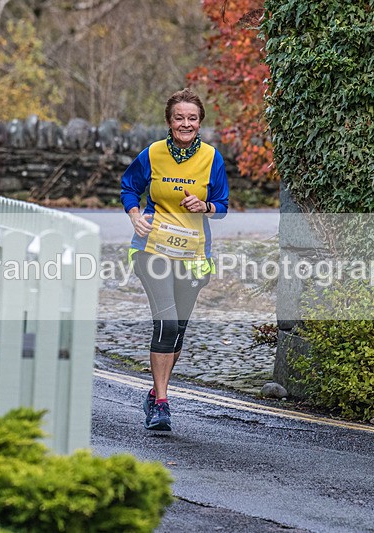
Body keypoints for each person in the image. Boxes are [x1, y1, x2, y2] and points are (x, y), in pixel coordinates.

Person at [120, 88, 229, 431]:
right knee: (166, 324)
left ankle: (156, 392)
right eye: (179, 117)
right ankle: (162, 405)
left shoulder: (213, 158)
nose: (185, 123)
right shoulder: (153, 154)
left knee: (178, 330)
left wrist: (206, 206)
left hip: (194, 254)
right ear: (169, 121)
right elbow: (127, 186)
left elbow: (223, 206)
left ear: (200, 123)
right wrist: (135, 213)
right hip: (152, 249)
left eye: (192, 118)